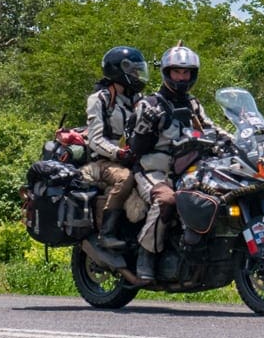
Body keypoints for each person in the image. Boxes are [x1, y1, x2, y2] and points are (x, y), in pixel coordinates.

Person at [128, 43, 231, 283]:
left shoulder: (193, 104)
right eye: (177, 72)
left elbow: (211, 128)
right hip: (153, 169)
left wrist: (238, 140)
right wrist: (146, 127)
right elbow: (136, 148)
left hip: (188, 168)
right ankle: (146, 254)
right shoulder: (150, 104)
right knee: (167, 200)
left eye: (186, 72)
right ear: (167, 72)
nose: (182, 77)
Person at [82, 46, 148, 250]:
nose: (138, 75)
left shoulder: (138, 100)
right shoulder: (99, 100)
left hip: (132, 157)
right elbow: (95, 139)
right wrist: (117, 152)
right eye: (134, 71)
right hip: (102, 161)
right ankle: (106, 233)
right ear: (120, 71)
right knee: (124, 178)